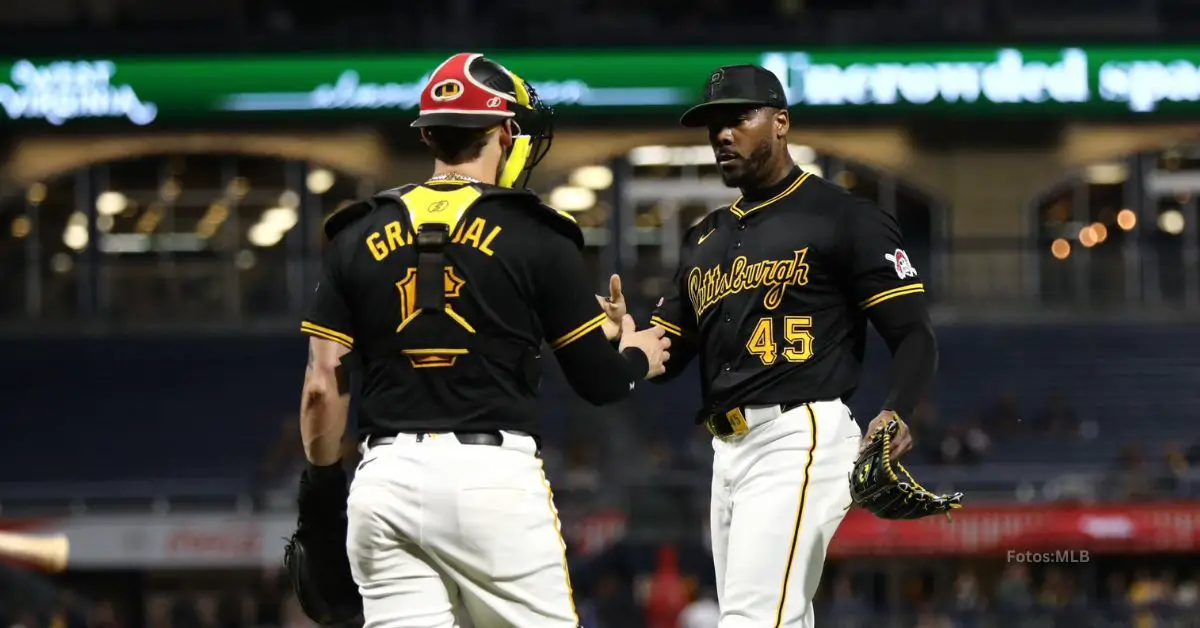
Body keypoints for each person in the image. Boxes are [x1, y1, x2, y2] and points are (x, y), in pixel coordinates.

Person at [297, 52, 671, 627]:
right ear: (503, 132)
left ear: (429, 137)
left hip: (384, 481)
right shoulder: (536, 230)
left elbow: (322, 389)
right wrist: (636, 354)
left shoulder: (355, 231)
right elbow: (598, 381)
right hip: (490, 481)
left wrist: (321, 491)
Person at [601, 64, 938, 627]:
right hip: (727, 451)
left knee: (754, 619)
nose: (722, 134)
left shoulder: (844, 215)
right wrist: (628, 344)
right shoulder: (703, 236)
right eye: (713, 124)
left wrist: (896, 409)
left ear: (781, 122)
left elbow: (913, 333)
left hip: (798, 435)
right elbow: (669, 352)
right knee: (781, 616)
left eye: (738, 118)